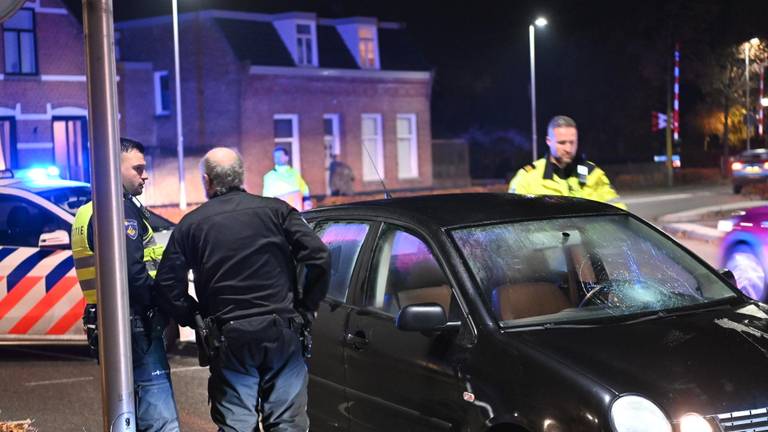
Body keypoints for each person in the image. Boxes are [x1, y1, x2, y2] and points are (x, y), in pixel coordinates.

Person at [154, 147, 331, 431]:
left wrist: (195, 316)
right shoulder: (277, 211)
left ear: (207, 180)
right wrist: (305, 306)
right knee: (287, 423)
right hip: (281, 331)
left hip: (229, 335)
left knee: (237, 424)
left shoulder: (191, 225)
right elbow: (318, 256)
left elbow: (166, 285)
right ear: (242, 176)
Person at [71, 138, 180, 431]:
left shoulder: (88, 210)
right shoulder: (120, 210)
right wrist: (162, 305)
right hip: (135, 320)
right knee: (159, 417)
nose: (145, 175)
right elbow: (132, 273)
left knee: (126, 409)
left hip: (108, 320)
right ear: (112, 167)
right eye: (138, 169)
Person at [508, 115, 626, 209]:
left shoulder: (593, 174)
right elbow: (514, 219)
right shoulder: (527, 178)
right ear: (549, 141)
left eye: (572, 142)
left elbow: (618, 212)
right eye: (562, 143)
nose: (568, 149)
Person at [262, 146, 312, 210]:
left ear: (287, 157)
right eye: (276, 157)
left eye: (280, 156)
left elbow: (304, 189)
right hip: (281, 210)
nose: (278, 158)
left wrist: (307, 201)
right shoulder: (269, 176)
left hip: (297, 209)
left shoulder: (294, 173)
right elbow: (266, 197)